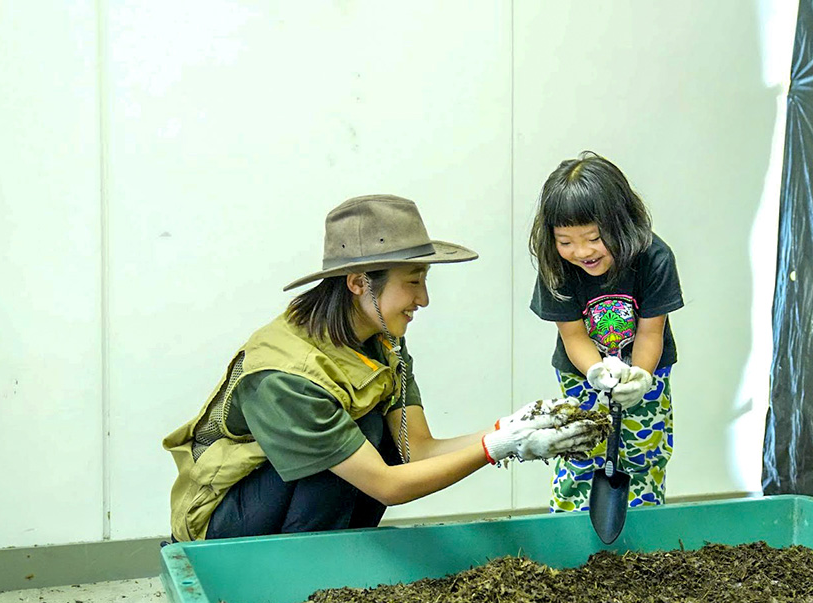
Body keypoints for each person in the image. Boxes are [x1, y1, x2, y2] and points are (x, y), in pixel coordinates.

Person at [164, 194, 601, 541]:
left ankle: (334, 558)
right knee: (366, 436)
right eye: (413, 282)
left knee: (381, 439)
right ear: (358, 284)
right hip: (226, 525)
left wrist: (514, 426)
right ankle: (303, 574)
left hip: (296, 501)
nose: (423, 299)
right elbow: (386, 485)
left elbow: (417, 450)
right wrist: (499, 448)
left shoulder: (382, 341)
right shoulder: (286, 376)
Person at [529, 152, 684, 513]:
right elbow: (573, 336)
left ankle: (642, 534)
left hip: (648, 370)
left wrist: (641, 376)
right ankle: (569, 529)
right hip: (581, 372)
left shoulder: (654, 258)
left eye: (593, 238)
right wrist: (596, 372)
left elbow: (649, 334)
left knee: (644, 454)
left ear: (622, 224)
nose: (580, 252)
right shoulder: (557, 266)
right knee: (580, 449)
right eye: (565, 241)